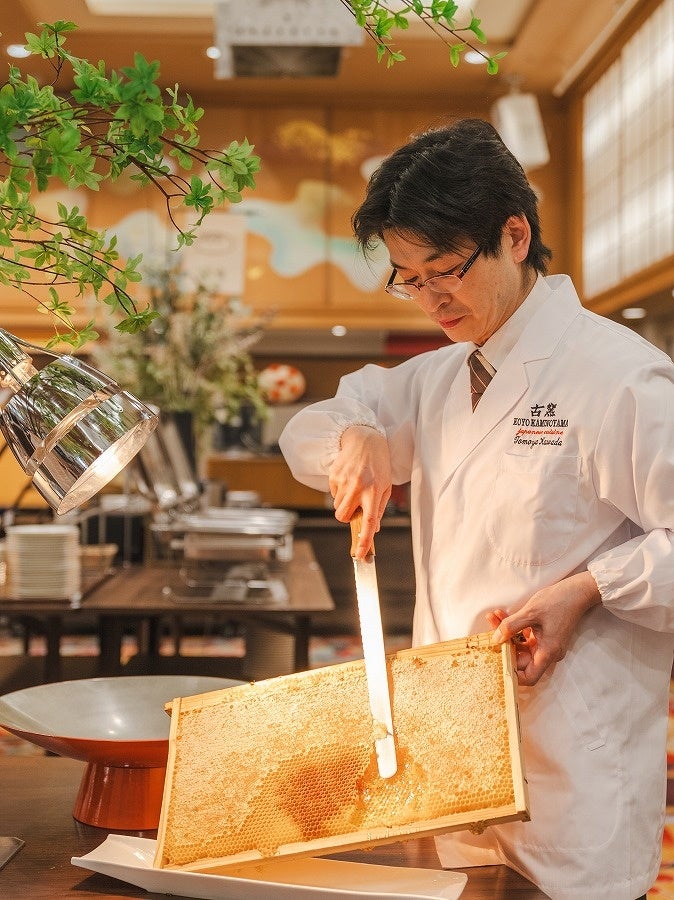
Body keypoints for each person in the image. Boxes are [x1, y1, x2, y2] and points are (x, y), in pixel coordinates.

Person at [279, 117, 674, 900]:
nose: (427, 297)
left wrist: (586, 589)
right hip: (453, 767)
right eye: (405, 276)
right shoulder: (439, 378)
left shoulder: (618, 375)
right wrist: (359, 435)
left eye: (444, 271)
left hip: (570, 774)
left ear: (515, 235)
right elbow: (308, 432)